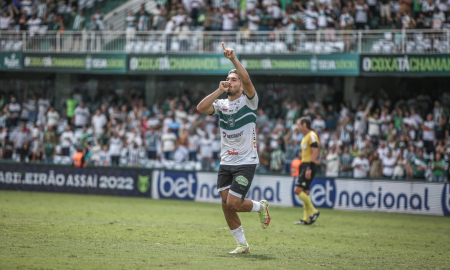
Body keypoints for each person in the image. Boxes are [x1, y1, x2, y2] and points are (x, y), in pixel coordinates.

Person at [196, 42, 270, 254]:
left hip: (246, 161)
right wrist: (219, 90)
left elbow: (247, 79)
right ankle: (242, 245)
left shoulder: (250, 101)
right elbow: (201, 108)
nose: (231, 82)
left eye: (233, 79)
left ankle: (260, 206)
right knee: (225, 204)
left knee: (234, 202)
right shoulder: (221, 105)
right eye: (228, 79)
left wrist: (233, 60)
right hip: (226, 161)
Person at [293, 117, 320, 225]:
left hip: (308, 165)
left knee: (297, 190)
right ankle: (306, 218)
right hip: (305, 165)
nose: (297, 127)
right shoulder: (305, 137)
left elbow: (316, 152)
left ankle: (314, 211)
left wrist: (309, 167)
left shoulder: (312, 135)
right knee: (305, 192)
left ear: (304, 125)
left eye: (299, 124)